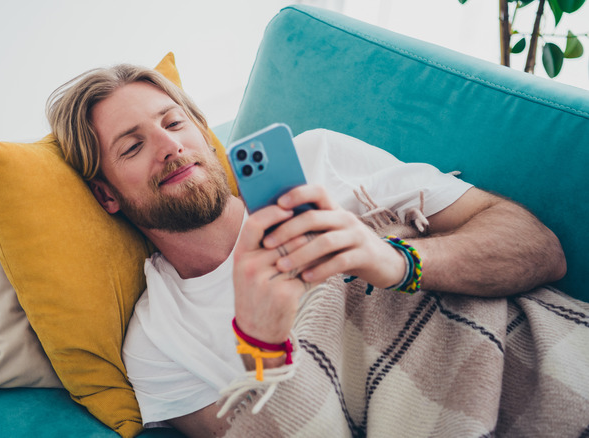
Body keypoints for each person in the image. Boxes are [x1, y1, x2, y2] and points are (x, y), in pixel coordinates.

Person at [46, 64, 568, 437]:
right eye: (133, 146)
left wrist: (395, 261)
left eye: (174, 122)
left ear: (205, 135)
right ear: (107, 194)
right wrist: (262, 346)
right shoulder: (156, 340)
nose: (169, 146)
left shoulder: (318, 160)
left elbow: (539, 248)